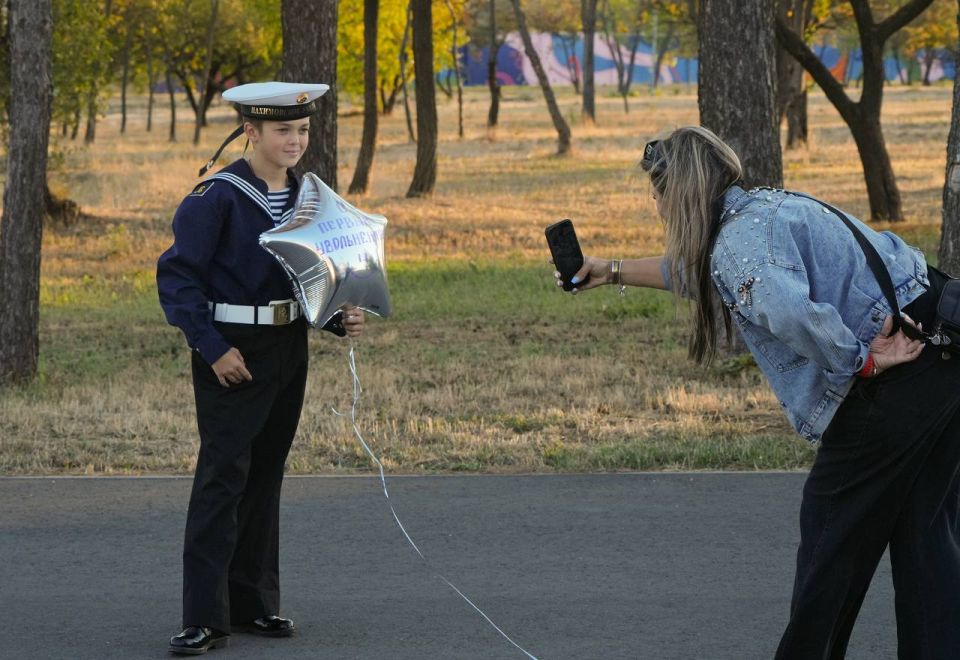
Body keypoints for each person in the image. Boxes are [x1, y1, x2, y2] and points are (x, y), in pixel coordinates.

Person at [556, 126, 960, 658]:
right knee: (925, 538)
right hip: (943, 351)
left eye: (656, 195)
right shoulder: (764, 209)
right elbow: (705, 270)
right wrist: (608, 271)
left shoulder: (740, 241)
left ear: (678, 194)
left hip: (897, 376)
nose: (655, 206)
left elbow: (787, 310)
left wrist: (862, 361)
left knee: (829, 545)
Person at [157, 82, 366, 656]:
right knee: (223, 478)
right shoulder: (217, 195)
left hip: (286, 347)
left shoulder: (309, 196)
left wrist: (333, 320)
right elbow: (177, 279)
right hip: (232, 350)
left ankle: (253, 604)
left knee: (266, 474)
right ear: (251, 131)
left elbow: (306, 277)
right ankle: (204, 616)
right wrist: (211, 347)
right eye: (283, 130)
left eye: (302, 130)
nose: (295, 140)